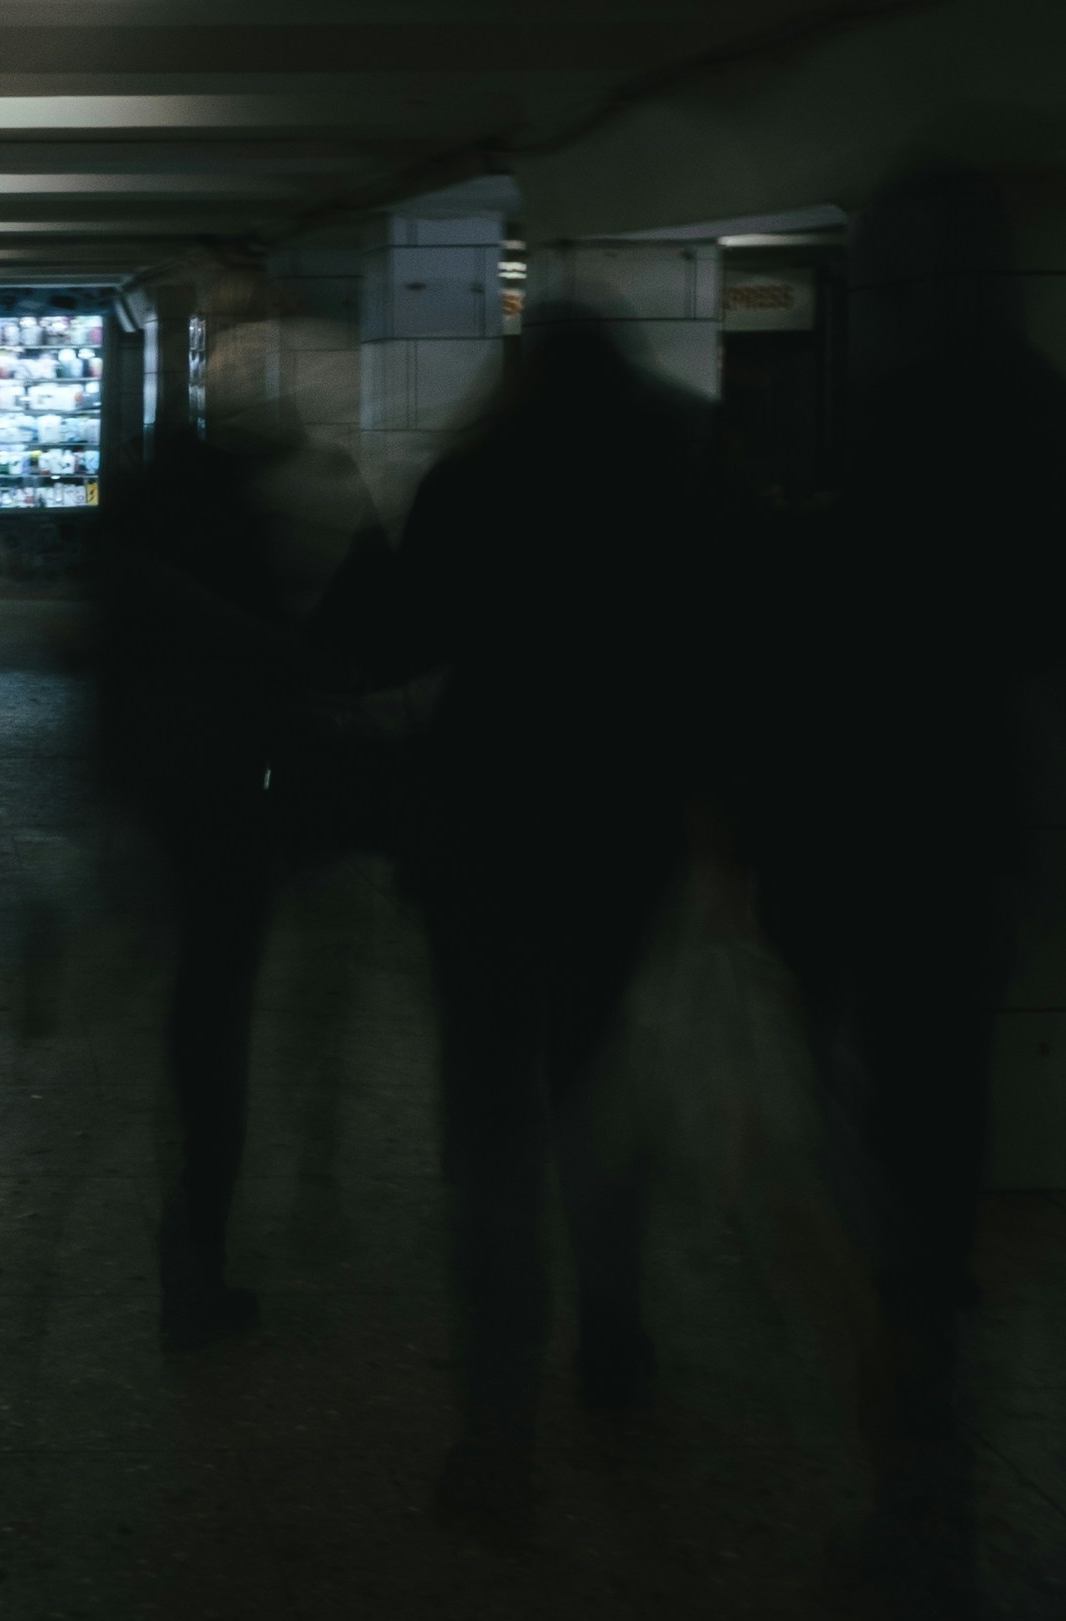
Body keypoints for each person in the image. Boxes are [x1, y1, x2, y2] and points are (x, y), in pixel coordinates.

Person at [753, 167, 1066, 1617]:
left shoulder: (887, 421)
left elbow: (815, 638)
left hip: (862, 830)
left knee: (870, 1121)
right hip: (969, 831)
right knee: (937, 1115)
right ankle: (926, 1345)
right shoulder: (1054, 418)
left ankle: (914, 1445)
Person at [328, 307, 716, 1533]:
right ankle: (614, 1337)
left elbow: (393, 641)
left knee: (492, 1127)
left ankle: (496, 1425)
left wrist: (366, 555)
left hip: (487, 838)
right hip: (625, 840)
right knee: (598, 1084)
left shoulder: (475, 478)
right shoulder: (685, 470)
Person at [94, 321, 380, 1350]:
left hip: (162, 789)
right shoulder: (286, 500)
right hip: (248, 789)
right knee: (233, 1011)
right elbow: (351, 636)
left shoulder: (149, 492)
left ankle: (190, 1240)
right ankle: (213, 1237)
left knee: (196, 1017)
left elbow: (109, 634)